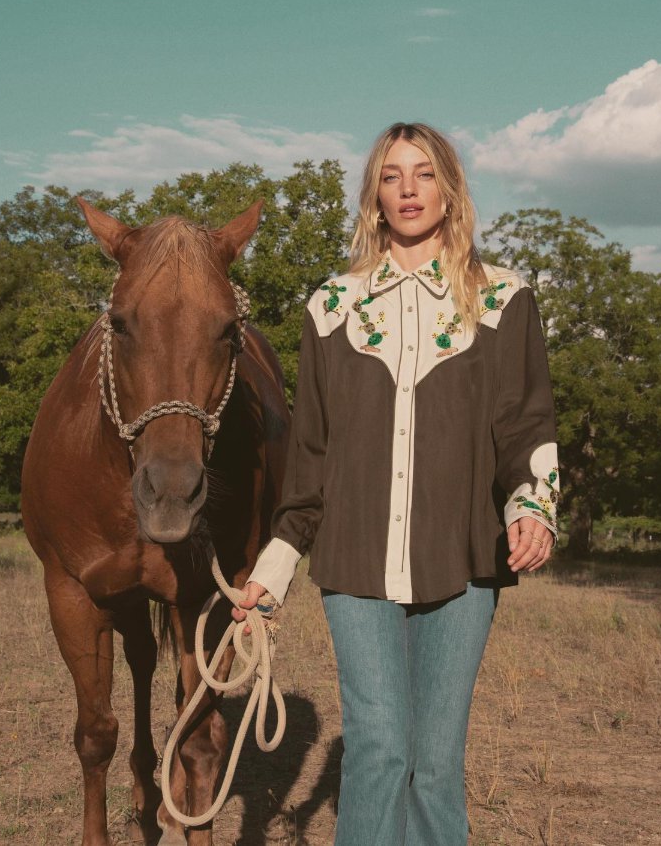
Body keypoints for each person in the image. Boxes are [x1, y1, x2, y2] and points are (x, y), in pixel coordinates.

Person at [233, 122, 559, 845]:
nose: (407, 189)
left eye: (422, 173)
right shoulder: (331, 306)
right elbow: (311, 453)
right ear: (374, 196)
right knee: (380, 748)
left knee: (435, 764)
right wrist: (273, 570)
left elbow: (524, 426)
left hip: (465, 558)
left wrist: (531, 507)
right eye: (390, 176)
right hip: (353, 562)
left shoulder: (506, 300)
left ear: (449, 187)